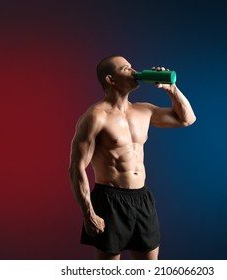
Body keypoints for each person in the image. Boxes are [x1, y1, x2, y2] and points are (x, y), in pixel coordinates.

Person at [68, 55, 196, 260]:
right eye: (126, 68)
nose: (134, 71)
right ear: (110, 79)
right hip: (109, 201)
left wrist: (171, 89)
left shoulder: (144, 110)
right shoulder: (95, 116)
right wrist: (88, 213)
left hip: (141, 199)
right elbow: (76, 168)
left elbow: (187, 119)